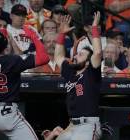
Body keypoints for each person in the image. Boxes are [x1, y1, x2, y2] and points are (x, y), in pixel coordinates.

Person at [54, 12, 102, 140]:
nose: (75, 56)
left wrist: (94, 29)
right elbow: (58, 57)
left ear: (87, 62)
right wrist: (62, 34)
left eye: (80, 55)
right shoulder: (70, 72)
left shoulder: (91, 73)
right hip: (72, 125)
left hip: (88, 125)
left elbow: (97, 53)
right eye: (76, 54)